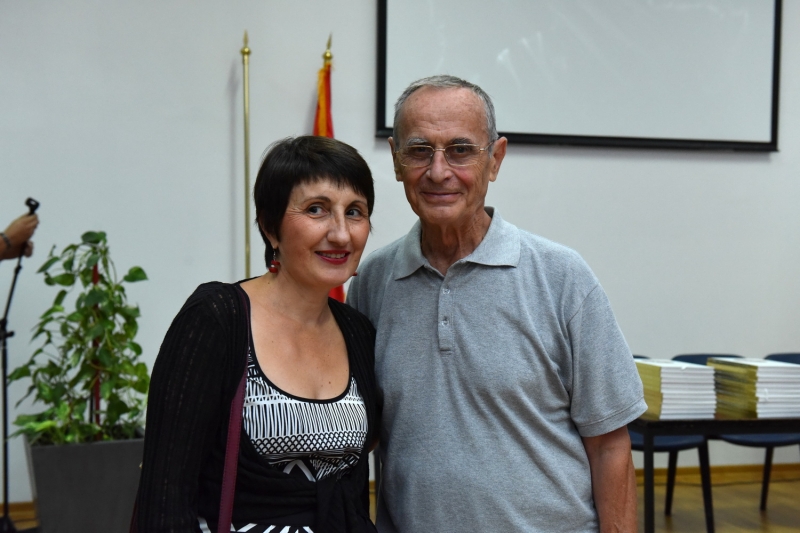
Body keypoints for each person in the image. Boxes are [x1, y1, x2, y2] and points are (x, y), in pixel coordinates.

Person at [347, 75, 646, 532]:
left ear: (495, 159)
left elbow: (609, 445)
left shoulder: (562, 277)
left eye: (460, 150)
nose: (439, 171)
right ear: (395, 159)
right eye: (420, 150)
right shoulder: (372, 282)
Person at [135, 136, 379, 533]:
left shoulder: (357, 331)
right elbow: (165, 494)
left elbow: (353, 488)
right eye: (316, 209)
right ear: (270, 227)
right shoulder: (218, 318)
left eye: (355, 212)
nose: (341, 234)